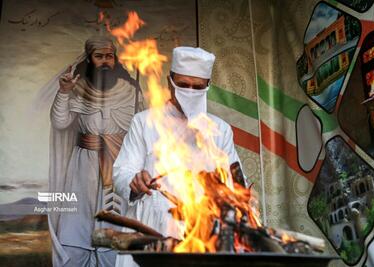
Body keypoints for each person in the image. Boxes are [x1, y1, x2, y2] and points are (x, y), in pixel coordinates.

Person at [112, 46, 246, 266]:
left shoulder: (219, 130)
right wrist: (134, 181)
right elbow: (120, 173)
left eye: (197, 87)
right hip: (152, 229)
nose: (190, 92)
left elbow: (236, 187)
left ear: (207, 86)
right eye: (183, 85)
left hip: (202, 234)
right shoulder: (144, 122)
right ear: (169, 81)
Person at [48, 36, 142, 267]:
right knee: (78, 220)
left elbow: (141, 133)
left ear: (115, 59)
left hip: (119, 163)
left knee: (116, 222)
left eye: (109, 56)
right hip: (84, 166)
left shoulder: (131, 91)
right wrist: (64, 92)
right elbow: (60, 123)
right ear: (90, 59)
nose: (104, 61)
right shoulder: (78, 88)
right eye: (98, 56)